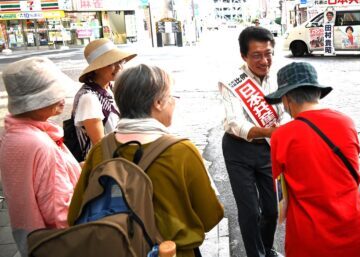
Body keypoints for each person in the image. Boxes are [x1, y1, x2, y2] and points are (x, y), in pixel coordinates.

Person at [68, 64, 224, 257]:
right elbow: (210, 216)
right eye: (172, 97)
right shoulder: (182, 151)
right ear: (158, 103)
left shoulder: (100, 150)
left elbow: (75, 213)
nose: (174, 102)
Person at [265, 62, 360, 257]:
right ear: (317, 93)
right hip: (357, 228)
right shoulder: (346, 122)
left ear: (286, 99)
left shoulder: (281, 136)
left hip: (311, 236)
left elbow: (282, 194)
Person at [0, 57, 81, 257]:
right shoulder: (40, 145)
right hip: (57, 243)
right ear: (32, 103)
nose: (62, 100)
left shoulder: (11, 136)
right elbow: (59, 212)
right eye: (53, 95)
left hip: (28, 237)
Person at [218, 26, 286, 257]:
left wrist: (281, 127)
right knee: (249, 211)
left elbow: (283, 111)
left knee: (271, 209)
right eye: (257, 55)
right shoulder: (231, 83)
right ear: (244, 56)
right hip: (238, 150)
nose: (264, 61)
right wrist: (268, 132)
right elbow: (233, 124)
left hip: (268, 149)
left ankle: (267, 248)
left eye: (268, 53)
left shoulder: (277, 77)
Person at [72, 38, 136, 160]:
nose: (119, 67)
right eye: (111, 63)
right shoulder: (89, 98)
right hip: (103, 166)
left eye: (120, 61)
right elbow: (100, 143)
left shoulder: (110, 88)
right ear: (96, 68)